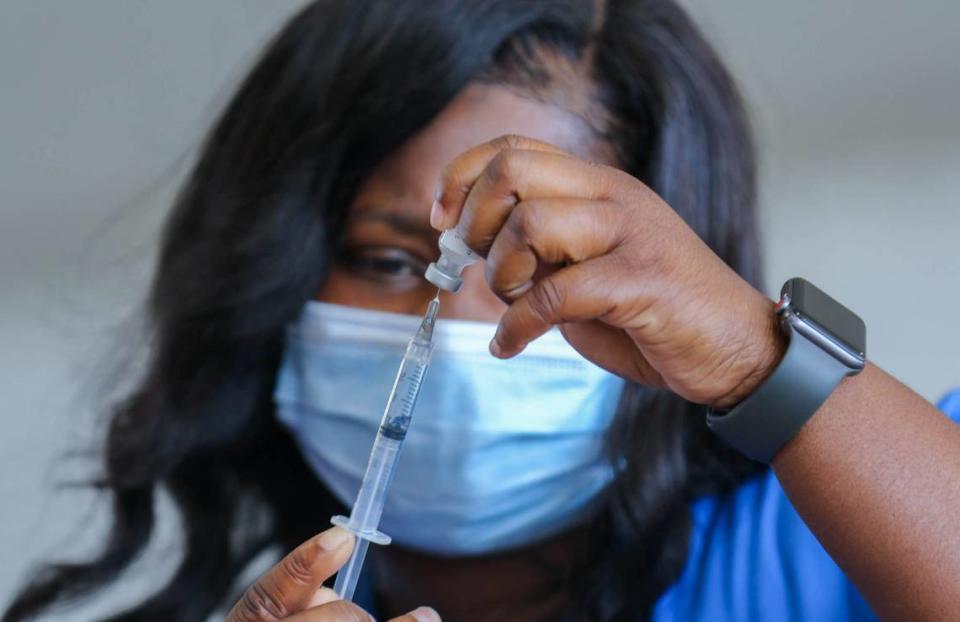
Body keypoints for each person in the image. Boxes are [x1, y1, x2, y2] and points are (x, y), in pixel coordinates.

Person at [4, 1, 959, 621]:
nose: (462, 326)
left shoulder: (843, 531)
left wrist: (764, 362)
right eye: (386, 258)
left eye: (548, 260)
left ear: (680, 287)